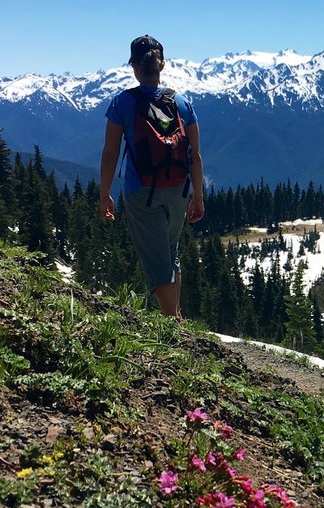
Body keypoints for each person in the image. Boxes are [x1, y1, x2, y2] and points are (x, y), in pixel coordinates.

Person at [99, 34, 205, 321]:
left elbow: (110, 153)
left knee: (158, 264)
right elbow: (195, 154)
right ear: (162, 66)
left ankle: (173, 327)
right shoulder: (181, 102)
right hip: (179, 191)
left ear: (134, 66)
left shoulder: (122, 103)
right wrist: (198, 194)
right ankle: (178, 318)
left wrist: (104, 192)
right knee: (170, 253)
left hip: (141, 192)